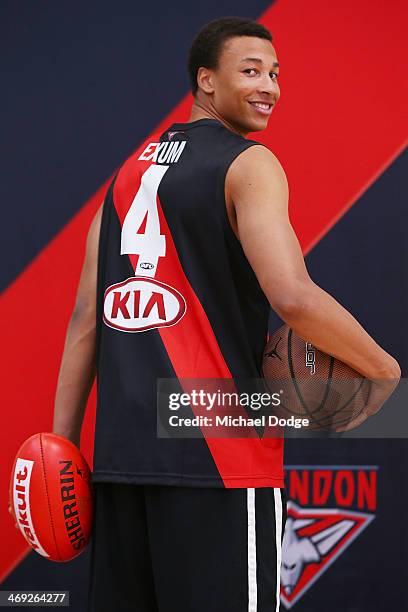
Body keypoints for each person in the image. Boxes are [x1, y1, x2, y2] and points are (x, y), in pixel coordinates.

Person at [52, 16, 400, 612]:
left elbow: (86, 316)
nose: (269, 86)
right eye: (250, 70)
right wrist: (384, 369)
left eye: (275, 73)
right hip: (218, 454)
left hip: (120, 461)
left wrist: (62, 449)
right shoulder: (250, 163)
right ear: (205, 81)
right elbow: (291, 295)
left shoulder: (126, 177)